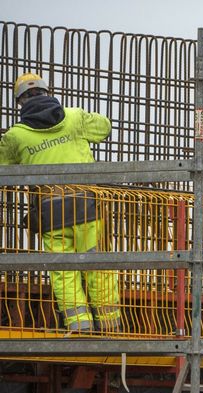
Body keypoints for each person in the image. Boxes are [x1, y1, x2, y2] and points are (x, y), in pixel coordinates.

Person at [0, 73, 120, 333]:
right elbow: (105, 128)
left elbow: (3, 167)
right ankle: (111, 326)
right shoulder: (75, 117)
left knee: (63, 271)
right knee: (97, 265)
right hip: (88, 206)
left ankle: (80, 327)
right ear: (47, 92)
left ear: (19, 102)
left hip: (51, 213)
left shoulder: (16, 136)